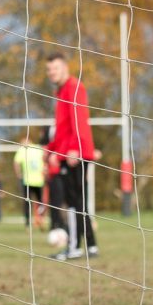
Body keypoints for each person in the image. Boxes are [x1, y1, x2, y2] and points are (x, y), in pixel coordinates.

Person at [45, 53, 98, 260]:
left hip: (75, 153)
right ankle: (92, 246)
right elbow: (62, 128)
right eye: (49, 70)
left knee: (73, 202)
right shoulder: (60, 91)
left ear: (65, 68)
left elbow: (79, 118)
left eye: (55, 68)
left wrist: (74, 148)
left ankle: (74, 247)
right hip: (66, 151)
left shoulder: (74, 87)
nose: (51, 73)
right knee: (79, 200)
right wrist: (50, 150)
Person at [13, 132, 46, 229]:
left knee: (29, 203)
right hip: (35, 180)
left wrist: (18, 174)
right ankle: (36, 221)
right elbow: (44, 159)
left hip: (30, 180)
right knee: (38, 203)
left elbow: (16, 162)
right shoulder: (38, 148)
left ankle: (32, 223)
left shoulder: (23, 149)